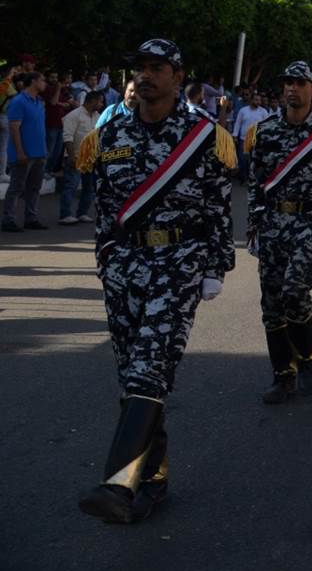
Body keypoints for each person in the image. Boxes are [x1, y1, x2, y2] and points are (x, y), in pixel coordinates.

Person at [74, 39, 237, 523]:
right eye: (139, 69)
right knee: (134, 375)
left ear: (178, 76)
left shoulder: (203, 135)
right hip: (125, 264)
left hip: (178, 261)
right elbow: (106, 204)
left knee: (149, 367)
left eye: (156, 68)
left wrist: (215, 267)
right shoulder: (110, 133)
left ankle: (116, 483)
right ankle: (154, 477)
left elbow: (217, 205)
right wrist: (105, 256)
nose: (145, 76)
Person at [244, 61, 312, 404]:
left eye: (299, 83)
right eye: (287, 82)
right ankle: (282, 375)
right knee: (271, 303)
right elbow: (256, 183)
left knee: (294, 291)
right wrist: (254, 226)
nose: (292, 88)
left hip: (308, 224)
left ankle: (307, 359)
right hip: (273, 223)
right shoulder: (264, 131)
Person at [3, 72, 49, 231]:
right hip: (23, 154)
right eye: (42, 80)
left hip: (39, 152)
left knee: (34, 188)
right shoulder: (18, 101)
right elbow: (14, 128)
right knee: (17, 187)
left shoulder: (39, 101)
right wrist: (20, 151)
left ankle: (31, 218)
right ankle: (8, 220)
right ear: (33, 81)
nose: (45, 83)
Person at [59, 89, 105, 224]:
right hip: (76, 156)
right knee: (70, 186)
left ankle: (82, 213)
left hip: (91, 158)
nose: (102, 104)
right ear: (92, 101)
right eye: (100, 101)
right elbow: (67, 137)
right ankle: (65, 215)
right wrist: (71, 156)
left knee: (89, 187)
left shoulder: (98, 116)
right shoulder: (74, 115)